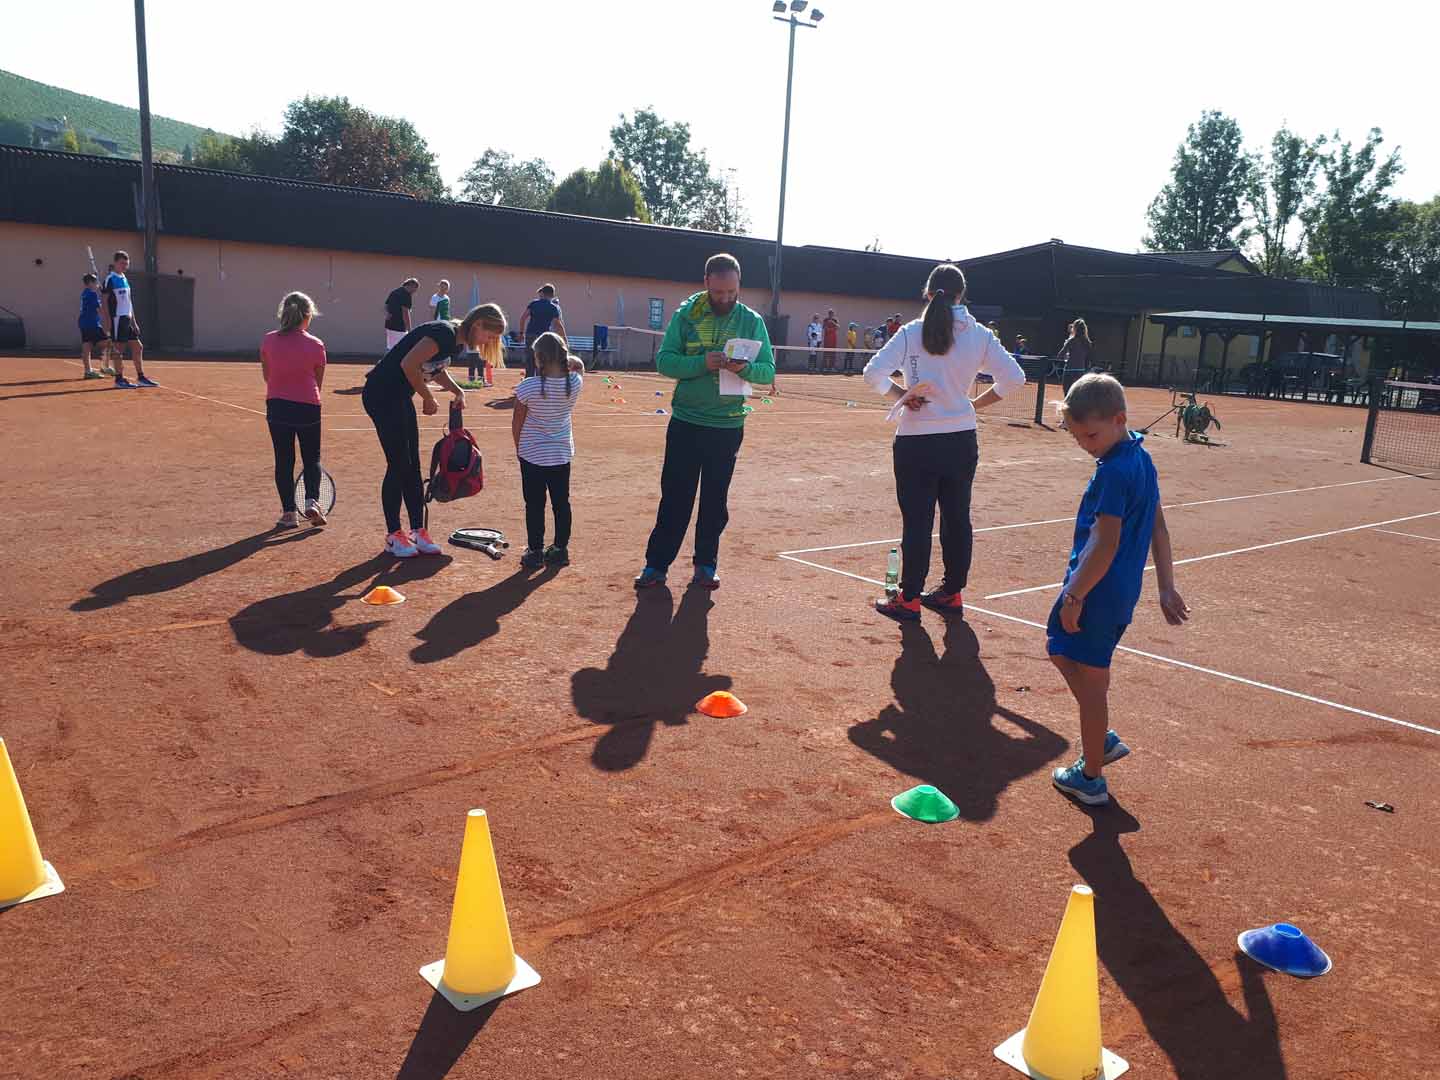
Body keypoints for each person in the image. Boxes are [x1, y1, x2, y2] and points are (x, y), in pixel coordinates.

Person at [1047, 373, 1189, 805]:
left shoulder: (1113, 472)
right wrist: (1166, 586)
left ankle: (1091, 778)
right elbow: (1159, 527)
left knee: (1092, 684)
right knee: (1059, 647)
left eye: (1090, 435)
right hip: (1115, 590)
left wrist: (1075, 596)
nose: (1085, 445)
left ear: (1119, 420)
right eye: (1077, 437)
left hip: (1097, 591)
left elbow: (1106, 544)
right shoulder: (1140, 458)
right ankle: (1101, 737)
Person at [863, 263, 1026, 621]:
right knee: (957, 518)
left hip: (916, 442)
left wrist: (901, 395)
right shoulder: (980, 335)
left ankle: (909, 599)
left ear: (927, 292)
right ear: (961, 295)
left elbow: (872, 373)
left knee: (917, 522)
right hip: (961, 440)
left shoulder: (911, 332)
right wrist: (972, 405)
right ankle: (952, 593)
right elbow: (1015, 377)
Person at [635, 253, 775, 590]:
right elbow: (665, 362)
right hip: (687, 422)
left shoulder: (752, 320)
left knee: (715, 501)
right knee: (675, 498)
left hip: (727, 427)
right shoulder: (686, 315)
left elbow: (768, 372)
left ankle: (706, 565)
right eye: (719, 292)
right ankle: (656, 566)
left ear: (739, 286)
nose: (725, 298)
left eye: (732, 292)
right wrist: (702, 363)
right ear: (706, 283)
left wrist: (745, 369)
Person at [363, 303, 507, 557]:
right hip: (381, 395)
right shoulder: (444, 333)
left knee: (412, 465)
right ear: (477, 324)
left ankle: (418, 531)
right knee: (398, 465)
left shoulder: (456, 342)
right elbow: (409, 364)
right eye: (489, 335)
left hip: (399, 397)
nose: (488, 342)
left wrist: (457, 390)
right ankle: (394, 536)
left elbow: (435, 369)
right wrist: (427, 397)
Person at [513, 331, 585, 570]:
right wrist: (568, 360)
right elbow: (579, 366)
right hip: (561, 455)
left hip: (532, 456)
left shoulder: (528, 387)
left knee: (534, 505)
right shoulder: (574, 383)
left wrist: (519, 447)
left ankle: (535, 552)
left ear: (540, 358)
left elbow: (517, 421)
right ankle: (560, 550)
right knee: (561, 503)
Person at [261, 292, 328, 529]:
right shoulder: (316, 344)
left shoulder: (268, 340)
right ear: (308, 316)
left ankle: (289, 513)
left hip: (277, 405)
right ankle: (312, 502)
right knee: (312, 458)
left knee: (283, 459)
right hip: (308, 406)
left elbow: (267, 376)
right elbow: (318, 382)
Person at [102, 251, 156, 388]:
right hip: (117, 319)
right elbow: (104, 302)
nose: (125, 266)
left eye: (127, 264)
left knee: (138, 347)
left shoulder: (124, 278)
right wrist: (107, 322)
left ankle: (141, 378)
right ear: (115, 263)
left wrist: (134, 322)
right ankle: (119, 380)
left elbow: (129, 302)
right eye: (122, 263)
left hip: (127, 319)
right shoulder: (110, 279)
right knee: (119, 349)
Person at [517, 284, 567, 378]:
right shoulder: (553, 307)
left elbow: (523, 318)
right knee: (542, 360)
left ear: (543, 293)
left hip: (531, 334)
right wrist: (564, 339)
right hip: (543, 337)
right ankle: (541, 382)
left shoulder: (534, 304)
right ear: (552, 295)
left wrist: (521, 333)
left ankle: (529, 381)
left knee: (530, 359)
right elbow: (558, 325)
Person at [78, 273, 109, 379]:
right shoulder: (92, 294)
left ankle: (88, 371)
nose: (97, 284)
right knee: (107, 343)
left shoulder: (85, 293)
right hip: (92, 324)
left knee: (87, 346)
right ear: (90, 283)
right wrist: (105, 298)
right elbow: (99, 309)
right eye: (96, 282)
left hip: (84, 323)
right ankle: (104, 366)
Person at [1057, 318, 1092, 392]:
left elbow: (1060, 355)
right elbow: (1088, 358)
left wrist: (1066, 354)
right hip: (1081, 370)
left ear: (1075, 328)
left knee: (1067, 392)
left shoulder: (1071, 340)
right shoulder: (1087, 342)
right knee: (1078, 393)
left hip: (1069, 369)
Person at [384, 278, 419, 351]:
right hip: (399, 327)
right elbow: (405, 313)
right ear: (411, 285)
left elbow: (386, 306)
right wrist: (409, 330)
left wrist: (388, 314)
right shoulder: (406, 295)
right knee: (401, 349)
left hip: (389, 325)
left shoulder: (394, 292)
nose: (415, 292)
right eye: (415, 289)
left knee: (390, 348)